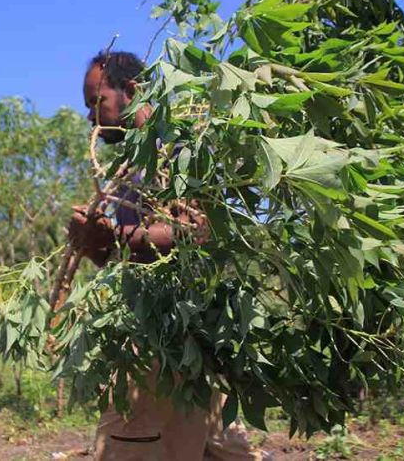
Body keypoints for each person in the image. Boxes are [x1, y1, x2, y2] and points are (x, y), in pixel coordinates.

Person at [67, 50, 269, 461]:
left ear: (131, 91)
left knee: (127, 450)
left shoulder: (178, 149)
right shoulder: (127, 172)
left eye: (96, 102)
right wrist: (93, 243)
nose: (91, 117)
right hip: (169, 343)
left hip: (170, 348)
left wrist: (116, 237)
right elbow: (127, 253)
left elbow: (197, 230)